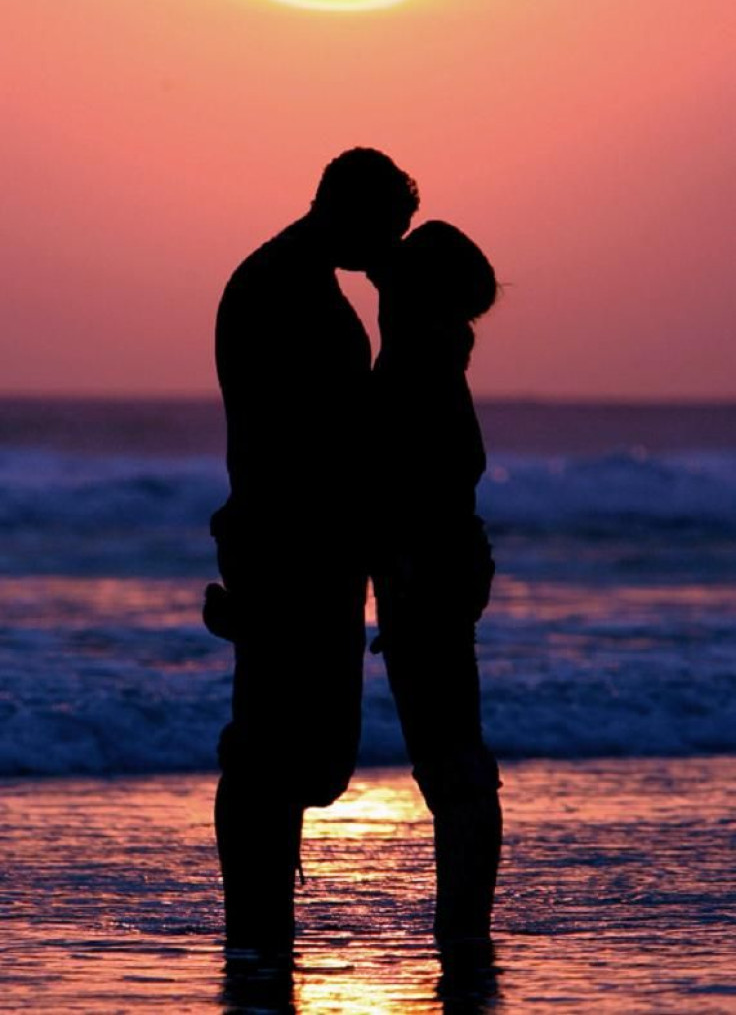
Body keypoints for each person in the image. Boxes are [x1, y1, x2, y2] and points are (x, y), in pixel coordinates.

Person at [206, 147, 420, 956]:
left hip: (295, 542)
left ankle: (260, 923)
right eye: (388, 229)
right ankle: (255, 923)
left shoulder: (289, 279)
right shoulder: (282, 288)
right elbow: (317, 432)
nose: (392, 246)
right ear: (349, 211)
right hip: (287, 542)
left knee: (294, 747)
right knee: (274, 746)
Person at [370, 221, 502, 961]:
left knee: (450, 760)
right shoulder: (433, 357)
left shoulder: (416, 367)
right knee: (452, 756)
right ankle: (463, 926)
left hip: (429, 576)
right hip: (442, 571)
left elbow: (409, 493)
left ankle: (464, 929)